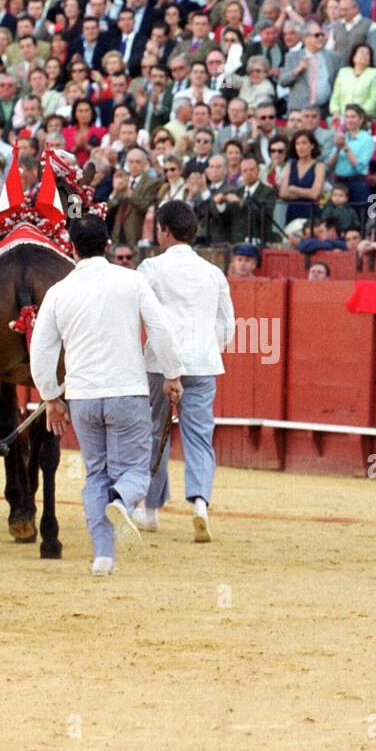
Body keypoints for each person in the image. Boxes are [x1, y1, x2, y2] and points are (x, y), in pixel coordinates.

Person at [29, 215, 186, 577]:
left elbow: (42, 350)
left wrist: (51, 397)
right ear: (107, 245)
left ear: (71, 249)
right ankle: (121, 501)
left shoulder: (58, 291)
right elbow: (161, 329)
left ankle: (103, 556)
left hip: (82, 396)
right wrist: (172, 375)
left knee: (95, 473)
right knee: (134, 471)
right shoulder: (132, 281)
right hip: (126, 391)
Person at [134, 202, 235, 542]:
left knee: (153, 433)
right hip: (203, 364)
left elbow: (140, 316)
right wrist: (205, 350)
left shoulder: (151, 268)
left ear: (163, 230)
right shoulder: (213, 272)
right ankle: (200, 504)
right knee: (199, 434)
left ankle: (149, 510)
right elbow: (228, 327)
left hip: (160, 365)